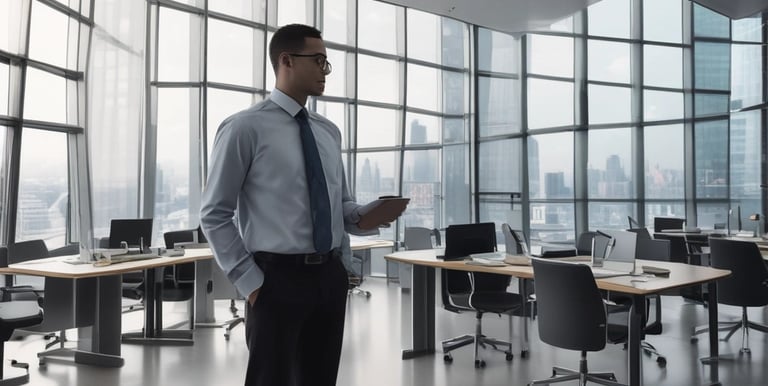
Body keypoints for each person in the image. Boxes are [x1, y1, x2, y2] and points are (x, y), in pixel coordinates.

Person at [200, 24, 398, 386]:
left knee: (320, 378)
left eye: (327, 62)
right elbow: (214, 213)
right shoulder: (244, 128)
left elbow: (340, 206)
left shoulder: (328, 131)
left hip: (329, 277)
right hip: (275, 279)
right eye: (318, 60)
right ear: (286, 60)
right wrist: (253, 283)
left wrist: (367, 216)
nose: (325, 71)